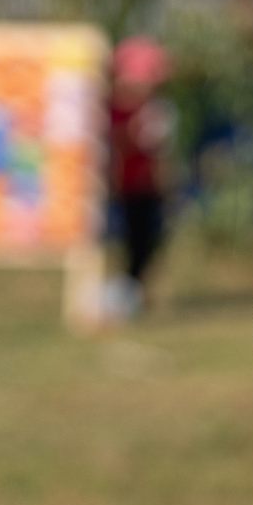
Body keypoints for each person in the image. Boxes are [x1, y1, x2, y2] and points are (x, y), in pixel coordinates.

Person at [103, 35, 175, 319]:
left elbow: (158, 152)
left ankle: (132, 295)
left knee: (148, 242)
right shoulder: (116, 110)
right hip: (123, 188)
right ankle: (121, 297)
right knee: (129, 244)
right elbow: (116, 145)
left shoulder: (152, 108)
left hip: (147, 186)